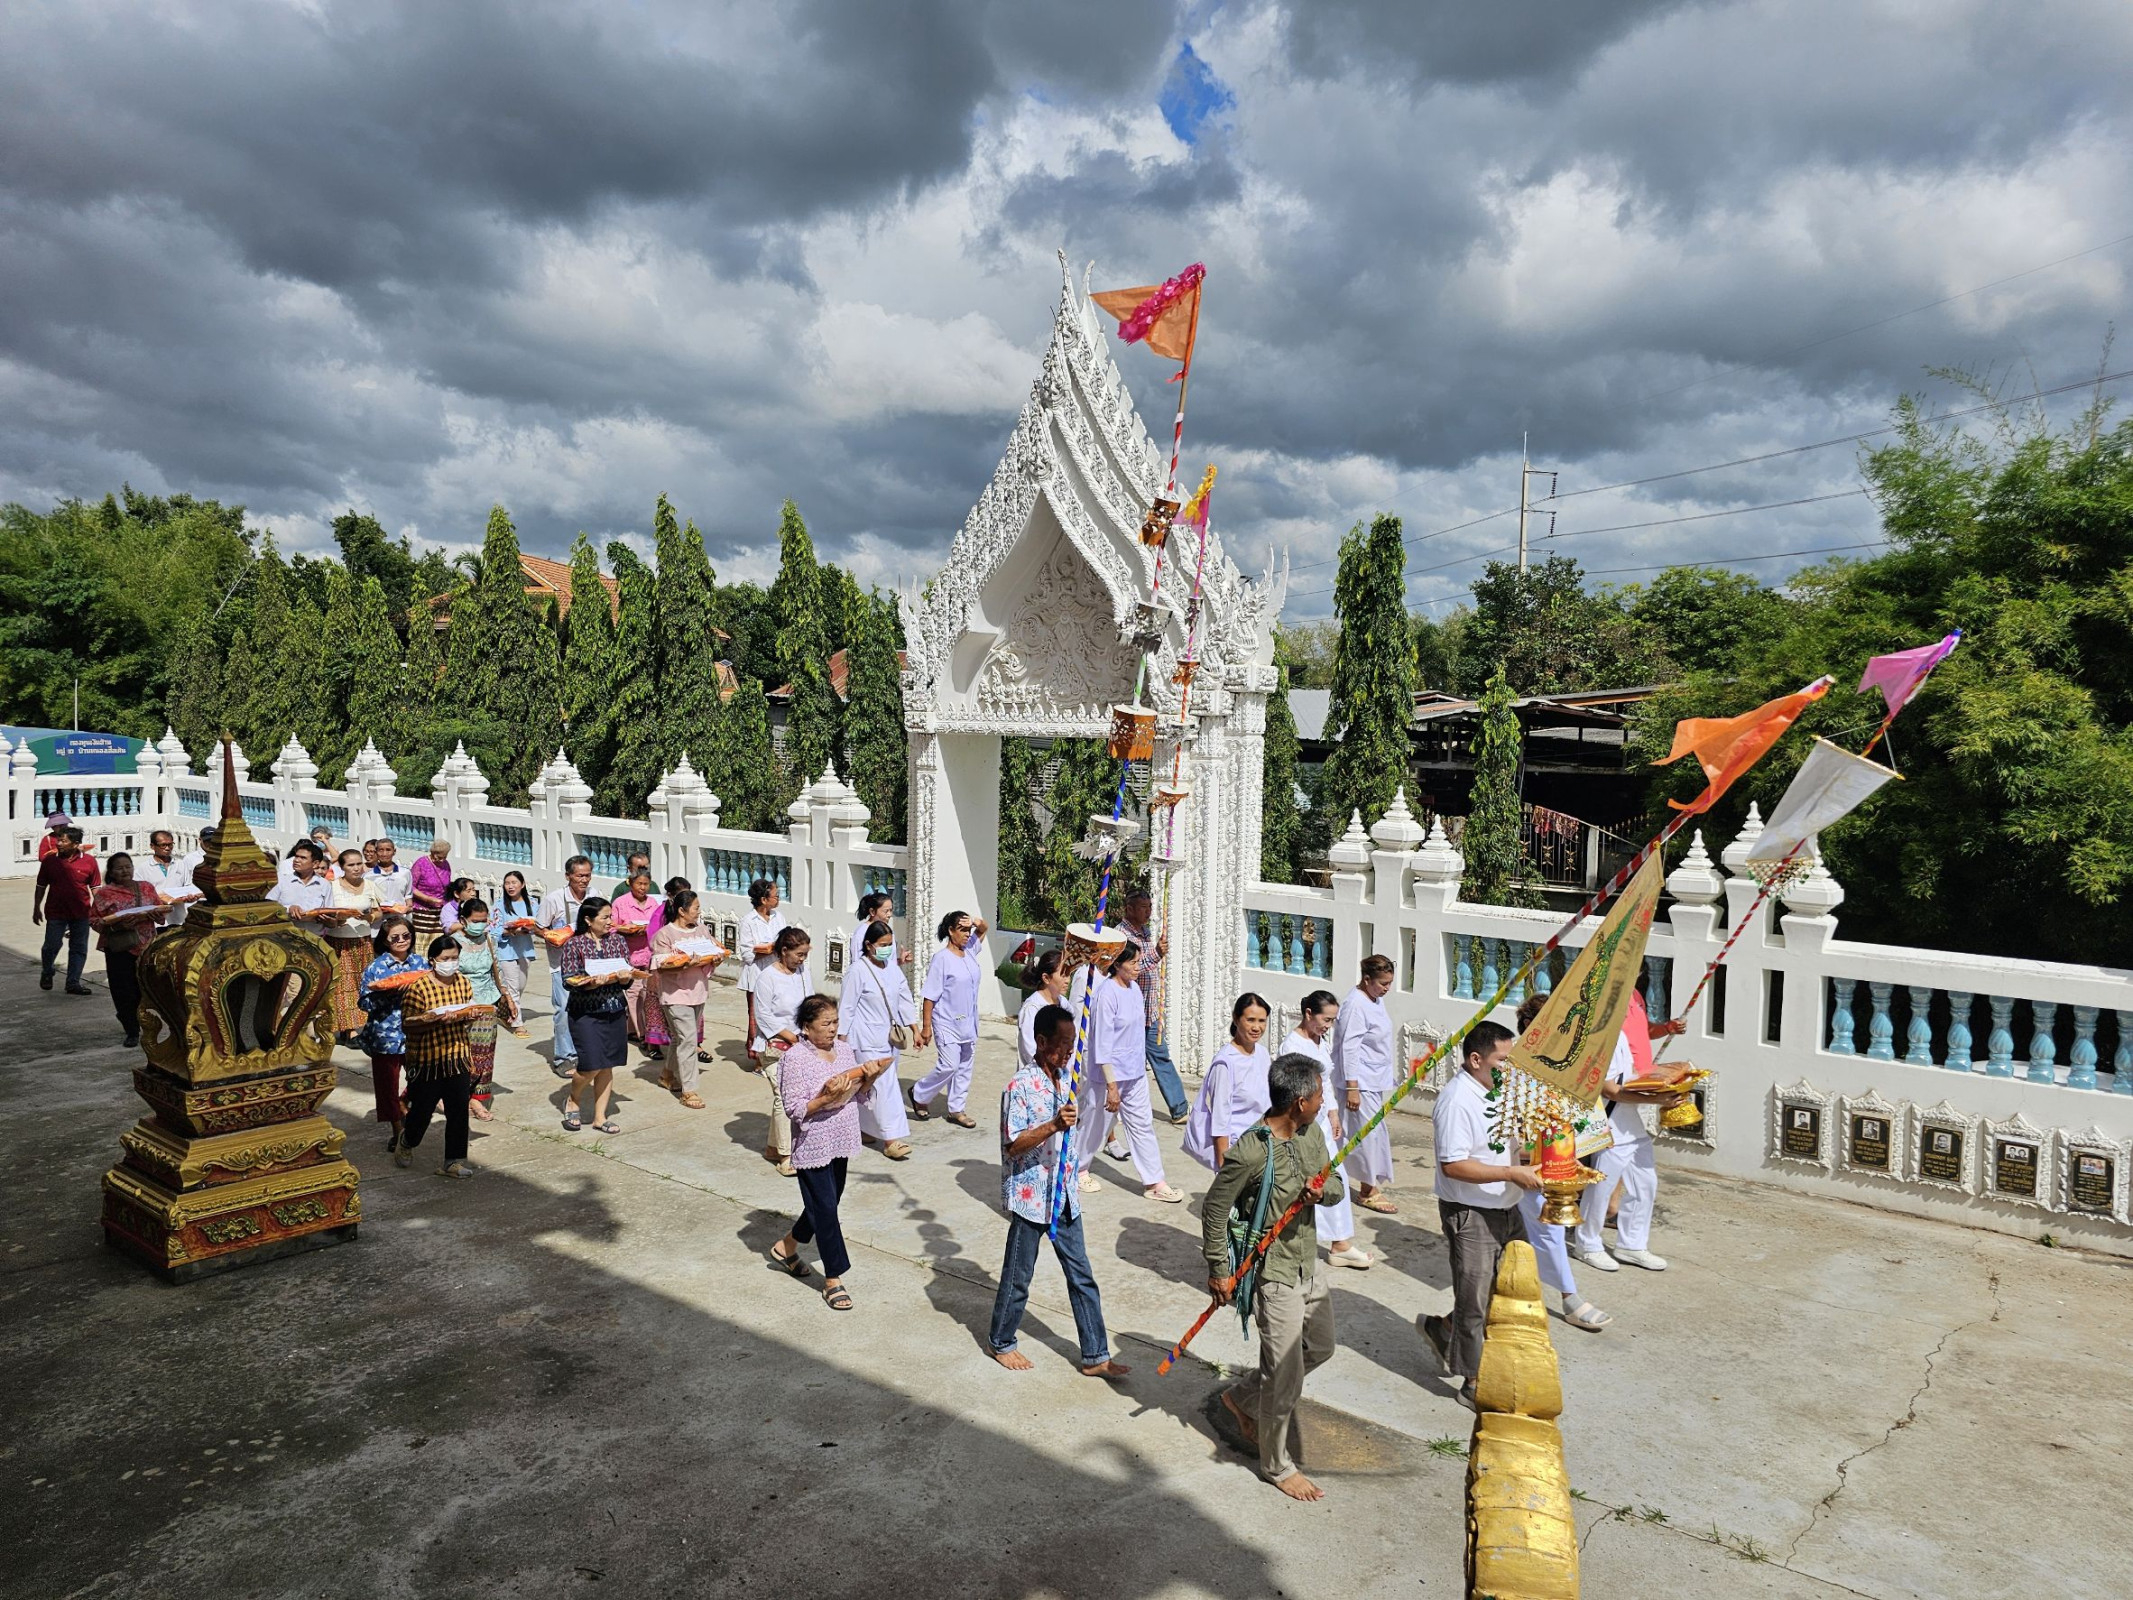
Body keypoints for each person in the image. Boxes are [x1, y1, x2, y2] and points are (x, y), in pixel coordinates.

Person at [1202, 1051, 1345, 1501]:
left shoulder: (1313, 1134)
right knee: (1284, 1376)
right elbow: (1214, 1207)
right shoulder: (1250, 1150)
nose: (1323, 1103)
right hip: (1274, 1273)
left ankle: (1241, 1396)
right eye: (1320, 1095)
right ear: (1299, 1100)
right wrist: (1219, 1270)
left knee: (1319, 1348)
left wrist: (1322, 1192)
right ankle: (1277, 1465)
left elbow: (1337, 1185)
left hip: (1309, 1264)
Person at [990, 1003, 1132, 1378]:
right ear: (1040, 1041)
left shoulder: (1069, 1080)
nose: (1069, 1050)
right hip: (1031, 1198)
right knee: (1019, 1276)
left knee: (1081, 1275)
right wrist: (1052, 1125)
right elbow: (1012, 1145)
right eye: (1063, 1043)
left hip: (1064, 1192)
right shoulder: (1019, 1086)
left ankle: (1095, 1354)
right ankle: (1002, 1341)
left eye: (1072, 1043)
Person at [1419, 1021, 1541, 1408]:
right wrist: (1511, 1172)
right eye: (1502, 1061)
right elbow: (1454, 1165)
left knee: (1504, 1290)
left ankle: (1446, 1329)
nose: (1509, 1069)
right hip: (1471, 1213)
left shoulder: (1496, 1092)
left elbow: (1499, 1149)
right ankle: (1472, 1382)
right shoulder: (1457, 1101)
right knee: (1475, 1301)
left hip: (1506, 1206)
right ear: (1475, 1060)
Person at [1504, 993, 1611, 1331]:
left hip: (1554, 1161)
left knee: (1533, 1232)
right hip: (1522, 1162)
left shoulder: (1562, 1064)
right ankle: (1570, 1297)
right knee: (1548, 1228)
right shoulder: (1515, 1066)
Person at [769, 995, 882, 1312]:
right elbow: (794, 1109)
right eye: (826, 1023)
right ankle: (833, 1278)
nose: (833, 1029)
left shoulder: (845, 1050)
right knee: (827, 1210)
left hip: (842, 1138)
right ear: (807, 1026)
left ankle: (787, 1246)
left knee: (826, 1203)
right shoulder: (795, 1059)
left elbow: (858, 1094)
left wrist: (869, 1077)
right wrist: (824, 1098)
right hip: (814, 1143)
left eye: (835, 1022)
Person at [1574, 989, 1688, 1274]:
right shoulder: (1600, 1038)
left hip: (1629, 1116)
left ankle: (1632, 1244)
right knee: (1601, 1184)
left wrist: (1666, 1082)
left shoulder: (1623, 1036)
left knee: (1645, 1180)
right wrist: (1656, 1099)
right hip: (1609, 1116)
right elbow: (1610, 1089)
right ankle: (1587, 1243)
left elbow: (1632, 1076)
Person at [1077, 945, 1184, 1204]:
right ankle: (1077, 1169)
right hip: (1108, 1075)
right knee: (1096, 1124)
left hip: (1134, 1072)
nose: (1138, 967)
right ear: (1117, 964)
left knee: (1142, 1125)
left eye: (1138, 962)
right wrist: (1112, 1085)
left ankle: (1155, 1182)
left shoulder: (1135, 990)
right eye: (1133, 963)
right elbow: (1102, 1042)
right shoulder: (1106, 993)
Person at [1281, 991, 1372, 1270]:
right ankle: (1334, 1242)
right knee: (1320, 1180)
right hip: (1304, 1124)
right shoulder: (1292, 1046)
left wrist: (1332, 1113)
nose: (1328, 1026)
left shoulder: (1319, 1040)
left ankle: (1340, 1242)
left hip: (1321, 1121)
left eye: (1332, 1021)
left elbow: (1325, 1081)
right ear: (1308, 1014)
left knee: (1334, 1179)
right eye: (1325, 1019)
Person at [397, 934, 479, 1178]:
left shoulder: (463, 983)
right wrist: (430, 1019)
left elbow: (467, 1015)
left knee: (458, 1112)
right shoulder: (418, 988)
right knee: (422, 1110)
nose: (451, 962)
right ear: (433, 960)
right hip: (427, 1060)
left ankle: (453, 1161)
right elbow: (407, 1024)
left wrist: (469, 1015)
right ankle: (408, 1139)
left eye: (454, 958)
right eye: (446, 958)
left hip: (457, 1055)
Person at [559, 896, 636, 1135]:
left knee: (607, 1065)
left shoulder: (618, 941)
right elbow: (568, 979)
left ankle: (600, 1117)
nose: (610, 921)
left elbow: (627, 974)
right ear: (588, 920)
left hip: (614, 1009)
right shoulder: (575, 944)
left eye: (610, 916)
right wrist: (591, 984)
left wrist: (625, 978)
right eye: (605, 917)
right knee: (591, 1064)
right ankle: (573, 1098)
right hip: (586, 1012)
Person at [841, 919, 916, 1161]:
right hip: (866, 1039)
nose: (887, 948)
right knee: (885, 1088)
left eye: (890, 944)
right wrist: (841, 1040)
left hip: (890, 1039)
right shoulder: (857, 971)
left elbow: (904, 997)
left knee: (869, 1088)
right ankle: (892, 1140)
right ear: (869, 945)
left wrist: (915, 1027)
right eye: (883, 944)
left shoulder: (892, 969)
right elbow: (847, 1008)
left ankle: (865, 1128)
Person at [1333, 953, 1400, 1214]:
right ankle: (1366, 1189)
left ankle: (1369, 1184)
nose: (1387, 988)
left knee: (1374, 1133)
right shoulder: (1355, 1005)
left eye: (1389, 983)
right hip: (1359, 1082)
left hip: (1373, 1080)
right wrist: (1352, 1087)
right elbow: (1349, 1048)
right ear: (1367, 979)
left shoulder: (1374, 999)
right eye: (1383, 983)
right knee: (1365, 1135)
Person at [910, 908, 988, 1128]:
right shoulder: (941, 959)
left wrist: (975, 921)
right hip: (946, 1022)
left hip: (969, 1022)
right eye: (962, 929)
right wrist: (926, 1028)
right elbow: (929, 996)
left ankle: (956, 1109)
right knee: (949, 1066)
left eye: (968, 930)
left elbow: (984, 928)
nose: (967, 934)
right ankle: (919, 1093)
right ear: (951, 931)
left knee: (964, 1067)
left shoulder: (971, 950)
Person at [1119, 888, 1189, 1123]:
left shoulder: (1145, 932)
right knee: (1129, 1062)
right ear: (1129, 909)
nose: (1148, 912)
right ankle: (1122, 1107)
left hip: (1150, 1011)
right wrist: (1157, 954)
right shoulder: (1122, 936)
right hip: (1131, 1013)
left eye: (1149, 907)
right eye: (1143, 907)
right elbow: (1130, 970)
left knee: (1161, 1056)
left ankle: (1179, 1108)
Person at [359, 914, 428, 1153]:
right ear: (386, 941)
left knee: (422, 1080)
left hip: (416, 1032)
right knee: (387, 1085)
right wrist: (387, 993)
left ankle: (405, 1105)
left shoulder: (421, 964)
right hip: (385, 1034)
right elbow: (364, 1003)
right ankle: (398, 1130)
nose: (401, 941)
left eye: (406, 936)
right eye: (395, 937)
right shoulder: (376, 968)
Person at [648, 887, 721, 1110]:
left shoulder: (701, 930)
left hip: (698, 991)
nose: (699, 912)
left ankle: (668, 1075)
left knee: (681, 1039)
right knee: (689, 1039)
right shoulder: (665, 935)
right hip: (675, 994)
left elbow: (712, 951)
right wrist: (684, 963)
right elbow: (660, 965)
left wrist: (715, 959)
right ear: (681, 910)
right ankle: (689, 1090)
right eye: (696, 908)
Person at [1184, 994, 1274, 1173]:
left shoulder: (1263, 1054)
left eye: (1262, 1021)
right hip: (1237, 1150)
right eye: (1250, 1020)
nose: (1257, 1027)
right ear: (1236, 1018)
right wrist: (1223, 1167)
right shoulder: (1225, 1063)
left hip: (1263, 1147)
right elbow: (1220, 1119)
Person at [752, 928, 812, 1176]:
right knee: (783, 1098)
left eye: (805, 955)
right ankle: (787, 1155)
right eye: (798, 954)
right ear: (784, 951)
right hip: (773, 1046)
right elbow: (763, 1015)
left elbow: (810, 1003)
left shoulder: (802, 972)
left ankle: (772, 1147)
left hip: (800, 1044)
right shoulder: (767, 977)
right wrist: (789, 1036)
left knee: (794, 1095)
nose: (802, 959)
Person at [454, 898, 520, 1121]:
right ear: (463, 920)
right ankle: (457, 1097)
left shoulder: (489, 940)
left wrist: (508, 998)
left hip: (488, 1003)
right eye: (475, 921)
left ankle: (478, 1099)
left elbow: (497, 971)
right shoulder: (452, 943)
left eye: (484, 920)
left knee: (485, 1055)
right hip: (462, 1005)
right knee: (461, 1054)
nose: (480, 925)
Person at [89, 853, 161, 1046]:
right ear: (111, 872)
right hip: (120, 948)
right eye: (120, 868)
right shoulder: (105, 894)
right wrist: (118, 925)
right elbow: (94, 921)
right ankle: (131, 1029)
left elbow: (161, 913)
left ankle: (142, 1022)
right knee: (123, 990)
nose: (125, 871)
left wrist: (155, 913)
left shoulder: (146, 887)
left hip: (145, 946)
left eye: (128, 866)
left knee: (143, 989)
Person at [322, 849, 387, 1043]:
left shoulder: (370, 885)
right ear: (342, 867)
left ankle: (358, 1025)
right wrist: (338, 918)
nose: (356, 868)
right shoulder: (332, 887)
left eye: (359, 864)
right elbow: (325, 914)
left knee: (362, 983)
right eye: (351, 865)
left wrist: (370, 917)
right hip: (338, 941)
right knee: (343, 986)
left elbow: (379, 911)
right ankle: (348, 1030)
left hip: (362, 941)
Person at [539, 856, 595, 1078]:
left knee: (588, 1009)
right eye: (580, 875)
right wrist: (552, 936)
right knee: (563, 1010)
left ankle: (585, 1052)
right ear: (568, 876)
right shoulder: (553, 899)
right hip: (561, 964)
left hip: (590, 963)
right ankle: (564, 1057)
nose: (584, 880)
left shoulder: (594, 895)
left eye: (588, 875)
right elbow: (539, 927)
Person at [33, 826, 100, 995]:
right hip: (56, 912)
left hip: (81, 913)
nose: (59, 844)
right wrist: (36, 907)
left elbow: (95, 887)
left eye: (63, 841)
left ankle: (73, 982)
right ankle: (47, 971)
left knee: (78, 948)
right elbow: (41, 886)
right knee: (51, 946)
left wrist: (98, 909)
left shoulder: (89, 862)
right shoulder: (50, 861)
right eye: (58, 840)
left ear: (75, 844)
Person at [609, 866, 661, 1051]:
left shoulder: (653, 903)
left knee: (648, 995)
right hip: (628, 954)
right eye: (639, 883)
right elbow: (611, 926)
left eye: (646, 884)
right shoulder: (620, 903)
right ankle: (641, 1034)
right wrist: (625, 929)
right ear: (630, 884)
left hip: (649, 953)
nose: (643, 888)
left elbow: (659, 926)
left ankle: (637, 1029)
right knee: (633, 994)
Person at [738, 877, 788, 1047]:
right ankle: (757, 1056)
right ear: (764, 900)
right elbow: (746, 954)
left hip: (777, 973)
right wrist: (767, 950)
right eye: (775, 896)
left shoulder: (778, 917)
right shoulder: (748, 921)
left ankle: (775, 1049)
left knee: (776, 1015)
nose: (778, 899)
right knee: (757, 1017)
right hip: (757, 975)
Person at [491, 870, 540, 1034]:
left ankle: (504, 1009)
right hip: (506, 951)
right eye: (507, 883)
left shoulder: (532, 904)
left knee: (520, 985)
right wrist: (510, 931)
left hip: (524, 950)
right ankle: (517, 1022)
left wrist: (530, 929)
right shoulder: (499, 905)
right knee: (512, 987)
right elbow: (494, 930)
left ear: (522, 884)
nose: (510, 886)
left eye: (514, 883)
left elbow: (540, 925)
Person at [133, 830, 198, 930]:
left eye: (170, 845)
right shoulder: (143, 869)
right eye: (163, 845)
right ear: (152, 846)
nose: (167, 848)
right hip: (155, 922)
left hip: (178, 919)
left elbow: (188, 886)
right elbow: (137, 896)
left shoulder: (180, 864)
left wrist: (190, 896)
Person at [1016, 948, 1070, 1068]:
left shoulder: (1065, 1004)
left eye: (1068, 974)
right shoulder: (1032, 1008)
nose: (1067, 980)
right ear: (1046, 978)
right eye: (1063, 974)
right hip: (1037, 1077)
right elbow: (1030, 1050)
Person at [267, 841, 333, 924]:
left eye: (303, 858)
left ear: (315, 864)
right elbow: (268, 906)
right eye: (296, 857)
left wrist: (329, 920)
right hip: (287, 934)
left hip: (314, 934)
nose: (296, 860)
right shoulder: (281, 881)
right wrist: (288, 909)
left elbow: (329, 910)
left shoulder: (324, 885)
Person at [846, 890, 911, 973]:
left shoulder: (888, 931)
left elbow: (888, 963)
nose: (889, 914)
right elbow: (857, 964)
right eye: (886, 911)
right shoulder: (861, 933)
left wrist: (900, 960)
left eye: (891, 910)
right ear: (872, 912)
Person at [408, 838, 453, 941]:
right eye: (439, 857)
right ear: (432, 853)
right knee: (422, 939)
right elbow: (410, 886)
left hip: (439, 909)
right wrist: (428, 899)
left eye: (444, 857)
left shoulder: (446, 865)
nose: (442, 860)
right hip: (422, 910)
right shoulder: (421, 863)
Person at [369, 839, 412, 907]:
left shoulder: (405, 873)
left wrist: (408, 908)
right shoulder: (369, 876)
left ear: (394, 851)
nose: (384, 854)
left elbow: (408, 896)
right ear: (376, 852)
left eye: (388, 850)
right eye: (381, 850)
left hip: (399, 915)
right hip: (379, 915)